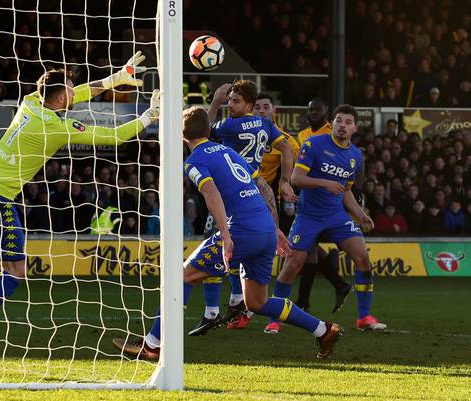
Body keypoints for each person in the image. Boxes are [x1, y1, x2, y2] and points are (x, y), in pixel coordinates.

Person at [0, 52, 159, 354]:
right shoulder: (57, 128)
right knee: (15, 271)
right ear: (61, 98)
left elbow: (78, 91)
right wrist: (149, 116)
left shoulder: (30, 101)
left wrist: (114, 79)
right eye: (71, 90)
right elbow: (113, 137)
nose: (76, 93)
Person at [112, 107, 342, 361]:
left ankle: (152, 345)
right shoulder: (228, 151)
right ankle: (323, 329)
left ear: (181, 135)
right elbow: (260, 186)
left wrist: (226, 235)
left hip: (241, 230)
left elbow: (211, 194)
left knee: (182, 277)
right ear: (209, 130)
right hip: (263, 229)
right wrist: (273, 227)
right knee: (256, 302)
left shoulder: (195, 161)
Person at [264, 104, 387, 334]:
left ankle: (364, 318)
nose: (342, 126)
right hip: (309, 216)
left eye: (348, 122)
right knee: (293, 265)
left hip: (336, 216)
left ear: (355, 128)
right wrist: (324, 182)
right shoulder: (314, 144)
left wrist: (360, 215)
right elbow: (297, 178)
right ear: (333, 123)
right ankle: (274, 319)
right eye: (339, 120)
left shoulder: (355, 156)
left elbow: (346, 191)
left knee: (363, 259)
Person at [189, 80, 297, 336]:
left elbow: (200, 130)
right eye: (229, 100)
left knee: (213, 243)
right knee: (243, 246)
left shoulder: (228, 126)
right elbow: (286, 148)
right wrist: (284, 180)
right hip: (257, 186)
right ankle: (238, 298)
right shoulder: (265, 123)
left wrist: (215, 101)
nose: (230, 104)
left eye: (235, 101)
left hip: (232, 189)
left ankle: (212, 311)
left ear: (248, 104)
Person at [226, 93, 301, 329]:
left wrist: (286, 184)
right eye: (256, 106)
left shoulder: (284, 140)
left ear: (273, 111)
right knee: (232, 250)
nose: (261, 110)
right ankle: (240, 303)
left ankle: (252, 306)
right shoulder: (239, 129)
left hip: (268, 202)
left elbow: (288, 158)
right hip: (239, 196)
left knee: (268, 254)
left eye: (265, 107)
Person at [283, 98, 352, 325]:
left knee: (307, 251)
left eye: (317, 110)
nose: (312, 113)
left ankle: (303, 301)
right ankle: (337, 285)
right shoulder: (302, 135)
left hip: (328, 203)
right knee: (309, 250)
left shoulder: (332, 132)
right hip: (304, 199)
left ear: (327, 114)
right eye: (309, 109)